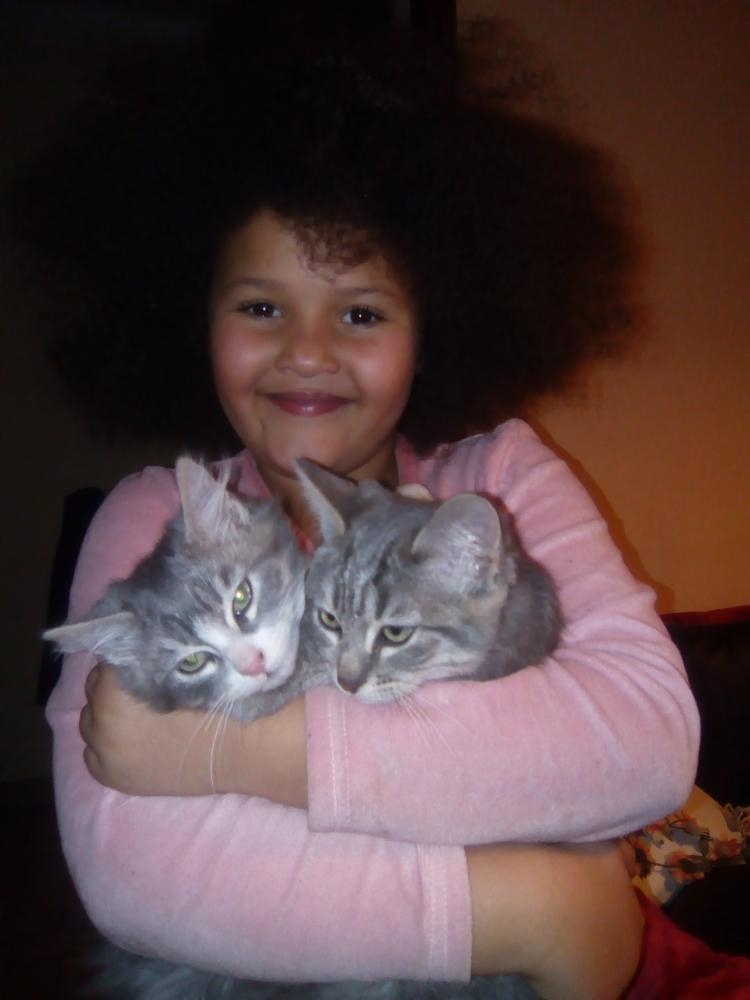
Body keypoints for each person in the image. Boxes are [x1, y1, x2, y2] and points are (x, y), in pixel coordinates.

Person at [32, 33, 698, 1000]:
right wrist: (543, 910)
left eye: (360, 314)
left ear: (433, 334)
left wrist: (246, 754)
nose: (308, 353)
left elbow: (646, 745)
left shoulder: (501, 475)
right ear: (193, 320)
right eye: (262, 308)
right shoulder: (158, 520)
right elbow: (133, 875)